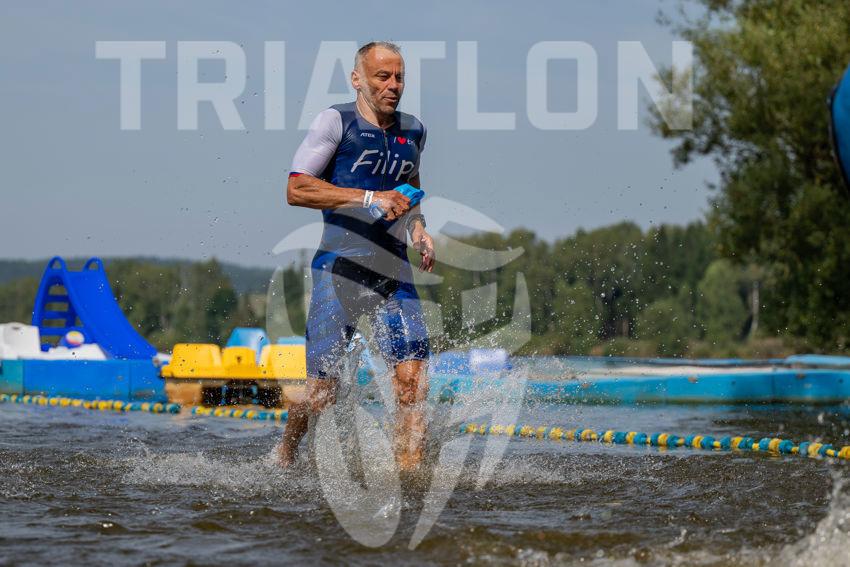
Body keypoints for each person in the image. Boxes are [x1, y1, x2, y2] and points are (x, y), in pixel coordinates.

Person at [279, 41, 435, 471]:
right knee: (321, 394)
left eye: (399, 77)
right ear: (357, 79)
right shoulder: (336, 122)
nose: (393, 85)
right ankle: (285, 453)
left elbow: (409, 189)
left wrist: (418, 228)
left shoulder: (415, 131)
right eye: (382, 76)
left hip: (393, 271)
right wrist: (368, 197)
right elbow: (296, 188)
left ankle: (409, 477)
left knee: (412, 382)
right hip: (340, 269)